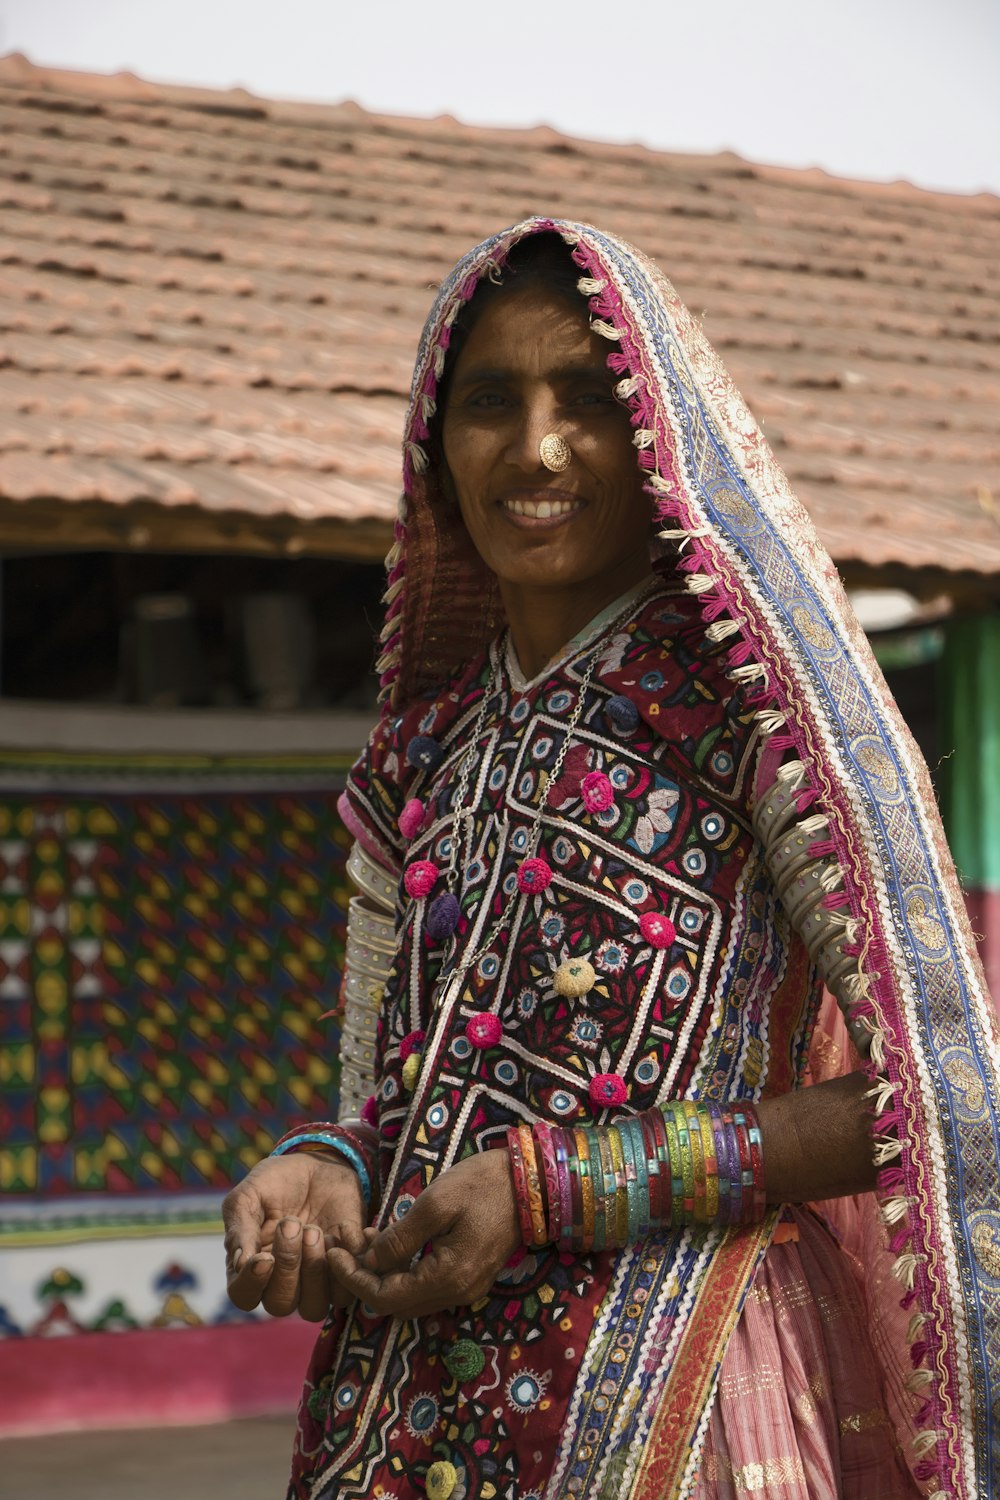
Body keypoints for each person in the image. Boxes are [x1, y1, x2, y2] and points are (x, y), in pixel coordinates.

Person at [222, 219, 999, 1500]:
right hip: (412, 1400)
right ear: (436, 446)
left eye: (585, 399)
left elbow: (929, 1096)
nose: (534, 447)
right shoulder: (421, 755)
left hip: (691, 1392)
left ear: (658, 439)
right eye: (490, 402)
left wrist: (553, 1191)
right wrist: (327, 1169)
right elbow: (389, 1099)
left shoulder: (768, 728)